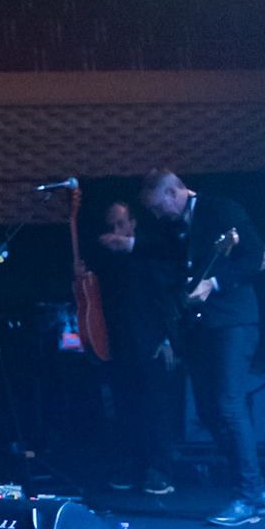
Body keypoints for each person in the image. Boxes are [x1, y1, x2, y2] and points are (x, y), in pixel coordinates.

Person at [134, 168, 265, 527]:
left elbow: (257, 255)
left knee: (228, 403)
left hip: (233, 322)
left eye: (157, 206)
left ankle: (246, 496)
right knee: (209, 411)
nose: (156, 214)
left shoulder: (220, 209)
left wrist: (214, 282)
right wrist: (129, 244)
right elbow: (167, 255)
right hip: (201, 327)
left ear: (171, 193)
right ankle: (256, 493)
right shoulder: (178, 226)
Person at [84, 200, 178, 495]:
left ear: (133, 223)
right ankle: (133, 465)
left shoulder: (148, 252)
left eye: (120, 225)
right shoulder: (106, 258)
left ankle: (160, 470)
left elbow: (167, 296)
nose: (115, 232)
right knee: (125, 404)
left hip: (150, 340)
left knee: (154, 406)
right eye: (111, 227)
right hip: (118, 341)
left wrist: (167, 339)